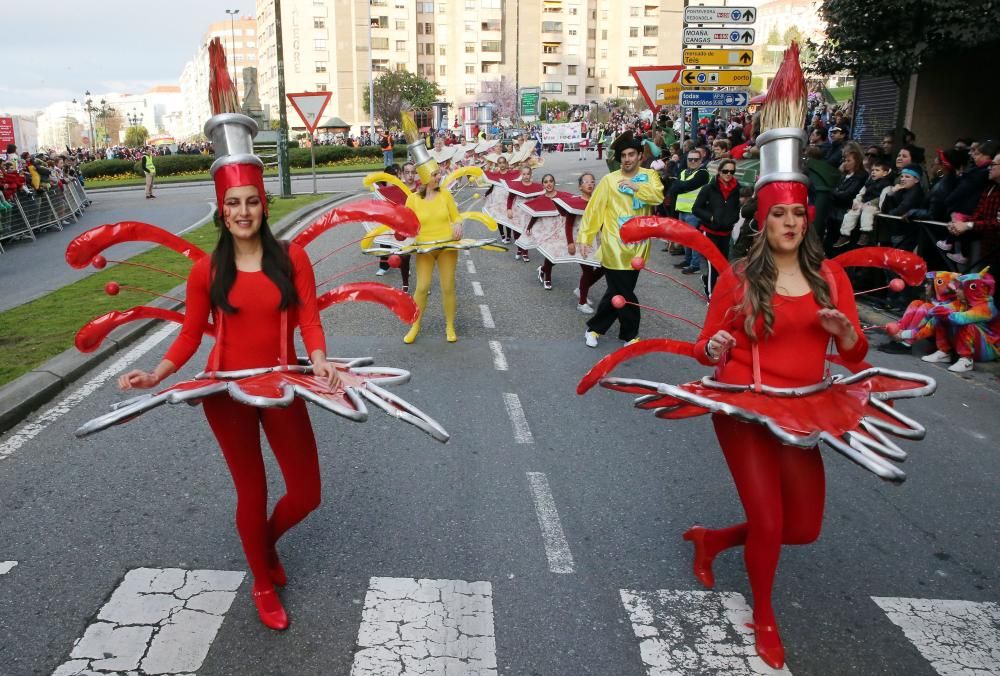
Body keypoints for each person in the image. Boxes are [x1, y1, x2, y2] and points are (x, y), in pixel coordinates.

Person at [118, 112, 338, 631]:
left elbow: (309, 317)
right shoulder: (206, 271)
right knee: (252, 490)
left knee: (307, 493)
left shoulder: (294, 258)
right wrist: (158, 374)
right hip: (226, 393)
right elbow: (192, 334)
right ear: (222, 211)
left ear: (264, 204)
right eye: (233, 204)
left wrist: (321, 357)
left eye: (252, 202)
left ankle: (262, 546)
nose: (243, 212)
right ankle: (261, 580)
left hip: (284, 385)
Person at [688, 79, 868, 671]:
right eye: (778, 214)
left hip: (804, 410)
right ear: (762, 219)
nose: (789, 223)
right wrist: (714, 344)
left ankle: (714, 539)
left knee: (803, 529)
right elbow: (704, 350)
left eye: (798, 214)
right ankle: (764, 615)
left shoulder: (830, 278)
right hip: (746, 406)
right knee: (769, 521)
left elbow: (856, 356)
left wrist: (845, 336)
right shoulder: (740, 278)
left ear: (807, 219)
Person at [577, 131, 665, 347]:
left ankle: (594, 328)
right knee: (624, 291)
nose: (627, 159)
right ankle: (630, 335)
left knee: (617, 291)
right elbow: (594, 210)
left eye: (631, 154)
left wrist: (636, 187)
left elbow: (658, 197)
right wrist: (586, 237)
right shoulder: (609, 180)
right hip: (614, 244)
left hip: (638, 246)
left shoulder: (650, 176)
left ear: (639, 156)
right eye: (623, 155)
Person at [403, 166, 464, 344]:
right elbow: (405, 224)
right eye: (435, 174)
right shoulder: (412, 199)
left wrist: (458, 225)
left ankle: (450, 326)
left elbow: (456, 217)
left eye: (439, 173)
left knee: (447, 286)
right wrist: (404, 236)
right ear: (424, 177)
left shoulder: (445, 194)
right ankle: (415, 326)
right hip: (424, 249)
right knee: (422, 287)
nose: (439, 177)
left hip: (447, 246)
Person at [692, 158, 742, 294]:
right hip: (709, 231)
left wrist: (734, 218)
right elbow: (696, 209)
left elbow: (741, 206)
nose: (728, 174)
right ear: (719, 171)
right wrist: (711, 217)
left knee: (722, 266)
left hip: (726, 233)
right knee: (712, 264)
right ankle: (710, 295)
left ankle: (707, 280)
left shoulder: (738, 189)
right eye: (725, 171)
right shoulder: (709, 188)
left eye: (732, 172)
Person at [668, 149, 710, 274]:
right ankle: (688, 260)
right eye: (690, 159)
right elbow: (675, 186)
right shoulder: (685, 171)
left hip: (694, 212)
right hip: (682, 209)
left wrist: (679, 185)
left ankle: (695, 265)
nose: (692, 161)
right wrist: (679, 185)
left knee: (693, 239)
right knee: (685, 238)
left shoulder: (703, 173)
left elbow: (686, 185)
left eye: (695, 159)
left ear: (701, 160)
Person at [836, 157, 894, 247]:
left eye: (877, 170)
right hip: (863, 204)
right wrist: (856, 202)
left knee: (867, 212)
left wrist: (874, 205)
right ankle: (845, 235)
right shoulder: (869, 183)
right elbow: (861, 193)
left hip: (874, 206)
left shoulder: (886, 185)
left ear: (885, 173)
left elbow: (883, 198)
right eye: (873, 170)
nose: (873, 172)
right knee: (851, 214)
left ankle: (865, 234)